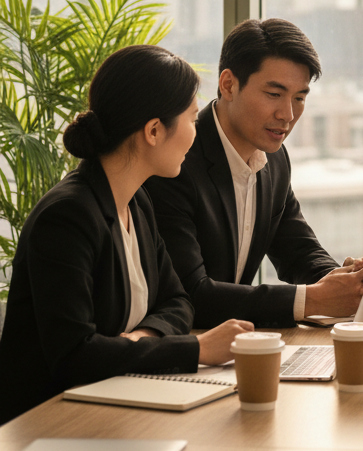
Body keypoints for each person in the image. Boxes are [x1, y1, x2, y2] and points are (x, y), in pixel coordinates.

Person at [0, 45, 252, 425]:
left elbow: (178, 301)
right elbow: (74, 356)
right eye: (191, 119)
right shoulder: (67, 216)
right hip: (50, 424)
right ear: (153, 131)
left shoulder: (137, 203)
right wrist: (196, 349)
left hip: (114, 406)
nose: (195, 133)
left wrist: (137, 340)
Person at [150, 18, 363, 328]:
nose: (287, 115)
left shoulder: (274, 160)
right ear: (228, 85)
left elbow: (297, 250)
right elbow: (190, 293)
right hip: (180, 347)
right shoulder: (176, 161)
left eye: (299, 98)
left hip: (236, 344)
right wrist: (315, 299)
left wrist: (343, 283)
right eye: (274, 94)